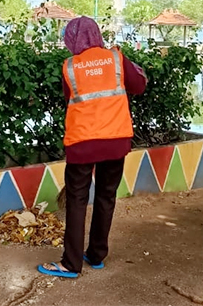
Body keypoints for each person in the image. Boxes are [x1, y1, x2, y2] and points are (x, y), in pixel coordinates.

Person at [38, 16, 147, 278]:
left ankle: (71, 264)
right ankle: (96, 255)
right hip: (115, 140)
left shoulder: (70, 66)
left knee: (76, 200)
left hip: (83, 142)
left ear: (72, 40)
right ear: (97, 35)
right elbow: (139, 86)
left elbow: (69, 97)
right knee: (106, 196)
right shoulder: (116, 59)